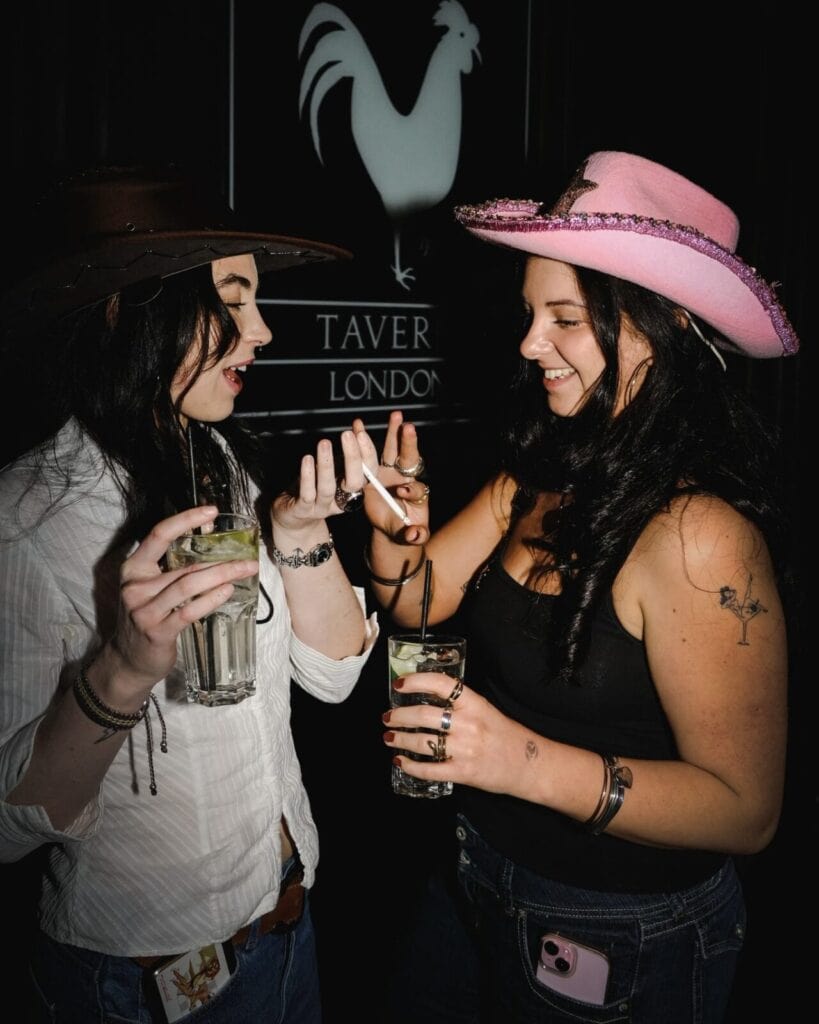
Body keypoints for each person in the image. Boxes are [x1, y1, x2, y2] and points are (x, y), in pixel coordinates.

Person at [353, 151, 798, 1023]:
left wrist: (512, 759)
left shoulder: (699, 536)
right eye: (529, 313)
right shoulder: (541, 468)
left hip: (624, 928)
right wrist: (394, 534)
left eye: (564, 316)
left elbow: (746, 814)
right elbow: (413, 603)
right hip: (475, 869)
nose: (528, 343)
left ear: (658, 325)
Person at [0, 165, 378, 1023]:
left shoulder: (224, 467)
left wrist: (300, 533)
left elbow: (332, 677)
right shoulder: (24, 520)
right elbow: (8, 829)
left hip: (287, 929)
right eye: (234, 299)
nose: (263, 331)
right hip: (142, 984)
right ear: (126, 311)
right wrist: (121, 676)